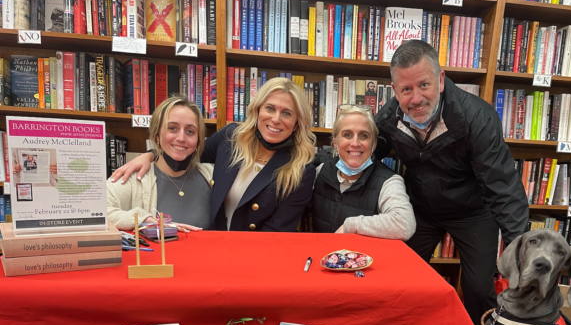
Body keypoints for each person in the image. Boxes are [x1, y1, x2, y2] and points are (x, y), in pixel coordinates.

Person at [373, 40, 529, 325]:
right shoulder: (388, 118)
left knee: (479, 290)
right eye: (406, 90)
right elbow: (362, 154)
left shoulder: (478, 118)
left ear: (441, 80)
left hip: (473, 212)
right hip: (420, 209)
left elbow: (503, 188)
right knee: (398, 279)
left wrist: (519, 249)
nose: (416, 98)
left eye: (424, 85)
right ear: (395, 91)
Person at [110, 78, 317, 232]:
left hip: (255, 256)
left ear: (297, 122)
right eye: (270, 108)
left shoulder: (301, 169)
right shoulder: (230, 138)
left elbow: (277, 231)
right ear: (257, 110)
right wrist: (151, 155)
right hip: (211, 244)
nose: (276, 119)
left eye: (287, 113)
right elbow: (187, 150)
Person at [107, 96, 214, 231]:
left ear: (198, 140)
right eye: (172, 128)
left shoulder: (212, 175)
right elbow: (94, 210)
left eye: (190, 131)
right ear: (157, 135)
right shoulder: (136, 178)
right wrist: (144, 220)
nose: (181, 138)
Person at [313, 106, 415, 240]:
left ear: (373, 144)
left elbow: (405, 224)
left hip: (366, 259)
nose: (355, 143)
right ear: (335, 143)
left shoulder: (389, 181)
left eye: (363, 135)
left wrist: (350, 226)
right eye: (347, 135)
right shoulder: (320, 172)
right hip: (322, 257)